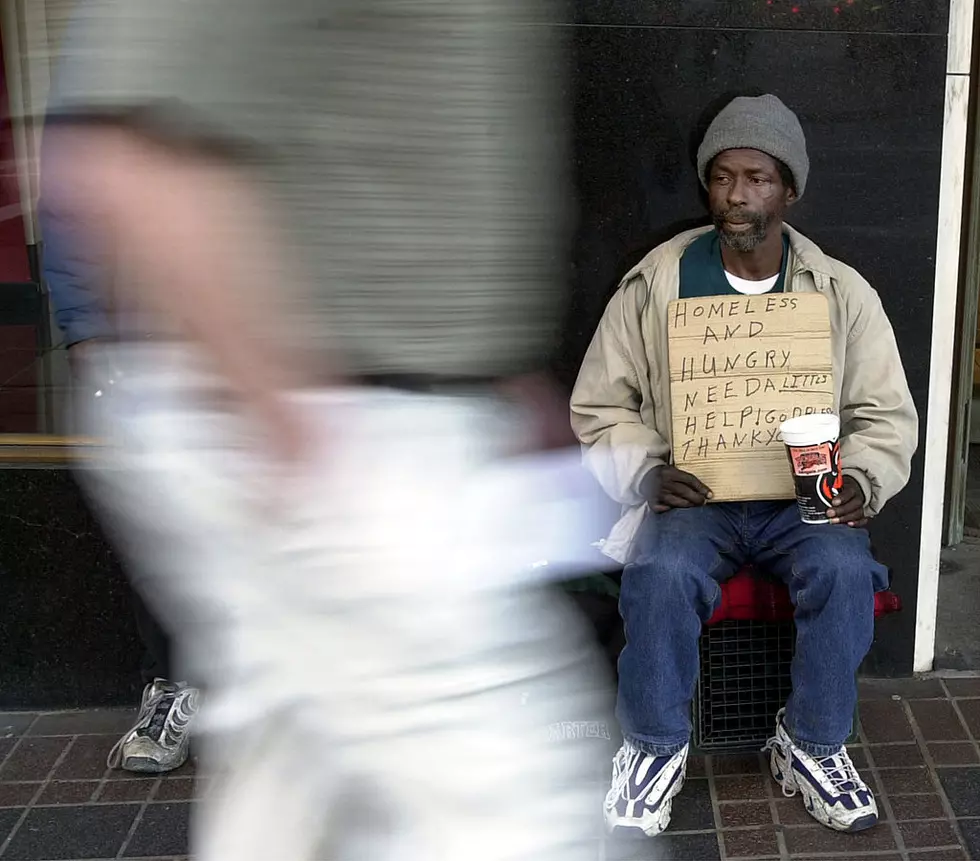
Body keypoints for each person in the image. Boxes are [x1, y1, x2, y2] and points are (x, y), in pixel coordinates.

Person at [40, 1, 604, 859]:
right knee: (511, 815)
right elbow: (131, 150)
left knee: (290, 795)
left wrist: (489, 371)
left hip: (370, 417)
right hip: (333, 424)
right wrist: (291, 425)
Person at [570, 94, 918, 837]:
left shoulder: (840, 292)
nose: (737, 195)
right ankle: (654, 746)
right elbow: (601, 405)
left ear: (788, 189)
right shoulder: (658, 281)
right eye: (723, 176)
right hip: (698, 494)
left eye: (757, 177)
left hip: (804, 500)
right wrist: (644, 471)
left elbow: (884, 414)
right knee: (660, 572)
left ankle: (813, 742)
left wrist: (860, 477)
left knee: (845, 572)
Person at [39, 149, 201, 775]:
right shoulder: (121, 57)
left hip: (283, 311)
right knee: (161, 522)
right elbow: (71, 197)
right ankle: (172, 688)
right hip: (149, 321)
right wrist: (85, 325)